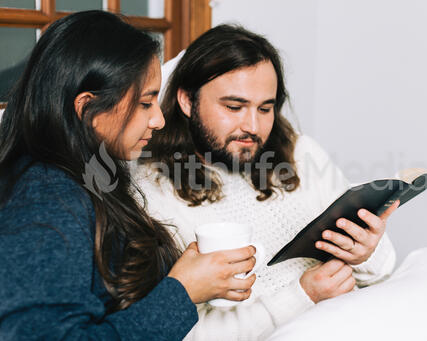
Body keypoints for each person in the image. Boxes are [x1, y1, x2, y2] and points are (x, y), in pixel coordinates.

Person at [0, 12, 257, 340]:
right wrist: (183, 291)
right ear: (88, 109)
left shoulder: (88, 175)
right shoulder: (47, 201)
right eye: (146, 103)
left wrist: (193, 276)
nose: (158, 121)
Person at [134, 24, 399, 340]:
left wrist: (364, 254)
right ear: (188, 102)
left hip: (353, 320)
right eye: (234, 107)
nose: (252, 126)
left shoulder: (301, 153)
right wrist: (303, 296)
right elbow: (188, 333)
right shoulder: (153, 194)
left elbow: (383, 273)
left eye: (265, 108)